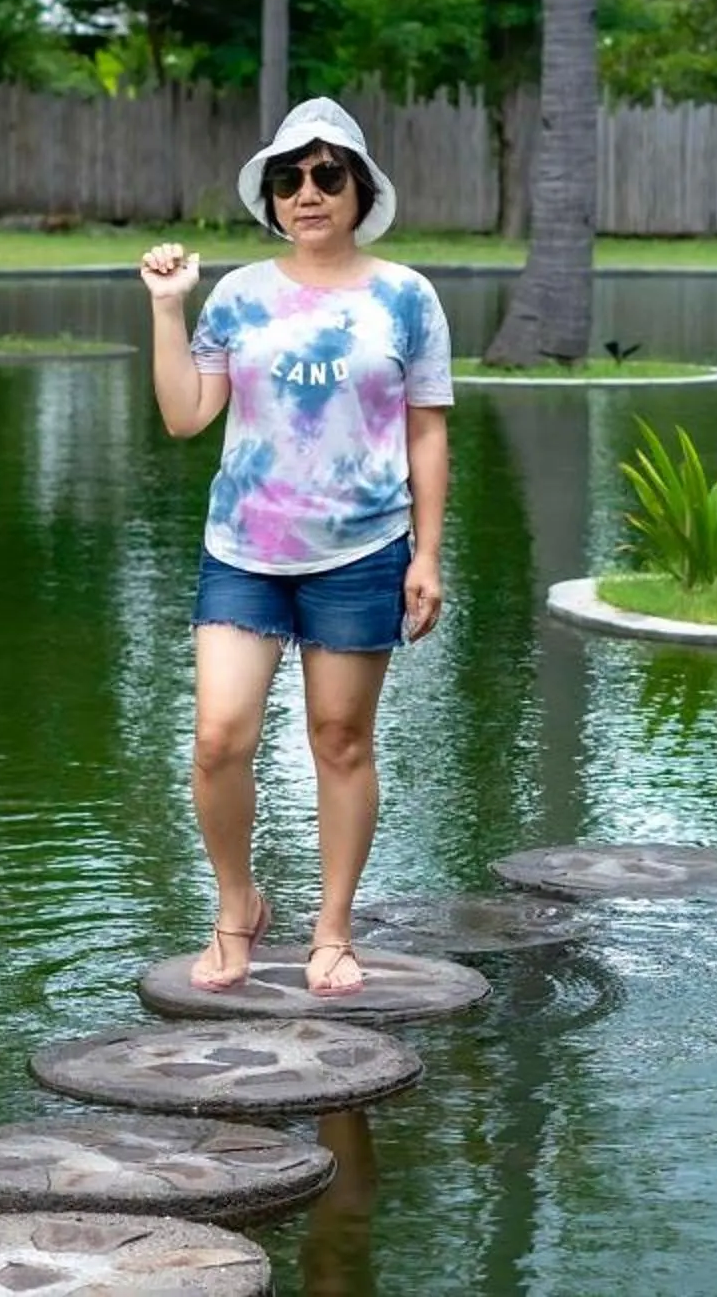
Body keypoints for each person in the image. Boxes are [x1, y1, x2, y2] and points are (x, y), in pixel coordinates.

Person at [139, 97, 453, 998]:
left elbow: (427, 434)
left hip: (363, 551)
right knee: (217, 739)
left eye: (326, 176)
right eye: (289, 179)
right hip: (244, 549)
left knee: (341, 741)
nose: (307, 194)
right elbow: (184, 415)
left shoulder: (406, 297)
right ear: (271, 198)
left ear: (359, 189)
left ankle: (333, 928)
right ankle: (239, 908)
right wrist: (169, 310)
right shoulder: (237, 297)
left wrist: (426, 555)